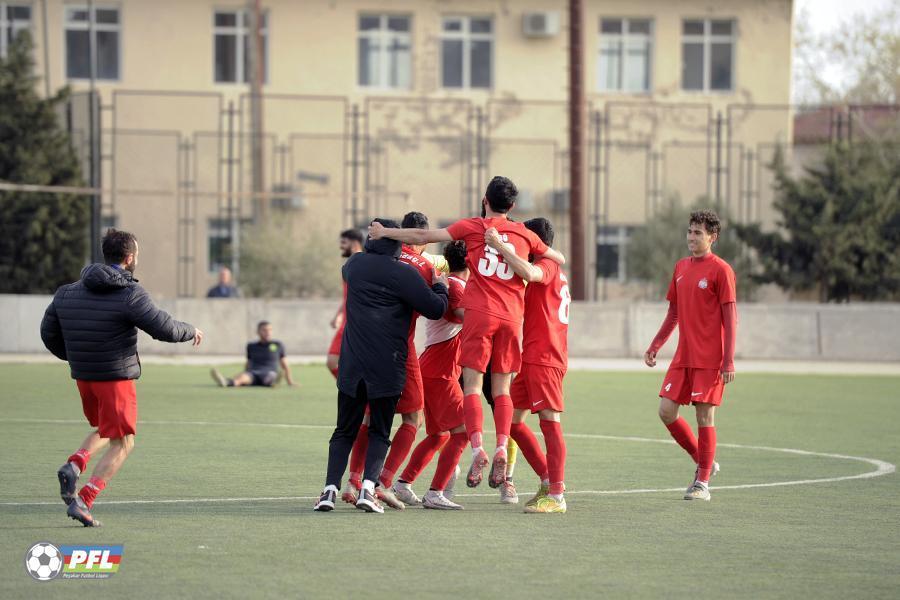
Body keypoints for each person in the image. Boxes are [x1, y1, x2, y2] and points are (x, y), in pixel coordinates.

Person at [368, 176, 565, 490]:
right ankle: (501, 447)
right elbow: (556, 258)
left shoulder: (473, 226)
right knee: (502, 391)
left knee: (472, 386)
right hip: (511, 317)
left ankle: (478, 448)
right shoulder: (524, 233)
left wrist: (385, 232)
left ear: (485, 200)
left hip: (480, 314)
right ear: (513, 206)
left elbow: (423, 235)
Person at [40, 229, 203, 527]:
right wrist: (191, 330)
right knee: (124, 443)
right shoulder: (129, 293)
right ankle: (84, 501)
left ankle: (74, 464)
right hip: (114, 378)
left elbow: (48, 333)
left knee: (106, 429)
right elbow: (164, 328)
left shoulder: (67, 292)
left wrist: (76, 356)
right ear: (129, 258)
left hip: (84, 377)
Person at [314, 218, 448, 514]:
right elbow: (436, 309)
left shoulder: (353, 266)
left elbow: (357, 265)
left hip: (352, 363)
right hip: (388, 364)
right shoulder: (405, 273)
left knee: (343, 430)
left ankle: (329, 491)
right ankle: (368, 489)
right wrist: (441, 287)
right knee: (380, 430)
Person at [644, 210, 737, 502]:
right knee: (666, 411)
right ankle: (704, 460)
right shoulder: (681, 267)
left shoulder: (721, 270)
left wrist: (728, 360)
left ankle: (702, 483)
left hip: (710, 359)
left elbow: (730, 319)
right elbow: (674, 312)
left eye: (698, 233)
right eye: (690, 232)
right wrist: (656, 344)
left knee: (704, 416)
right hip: (683, 356)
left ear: (712, 237)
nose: (692, 237)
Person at [488, 218, 570, 513]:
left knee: (549, 421)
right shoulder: (553, 266)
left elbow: (529, 272)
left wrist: (500, 246)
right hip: (532, 357)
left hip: (546, 357)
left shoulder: (547, 265)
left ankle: (557, 496)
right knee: (512, 421)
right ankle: (548, 480)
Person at [390, 240, 469, 510]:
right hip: (440, 372)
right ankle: (436, 492)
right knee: (463, 432)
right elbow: (463, 316)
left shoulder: (453, 284)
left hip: (436, 369)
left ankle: (403, 484)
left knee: (439, 435)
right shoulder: (456, 287)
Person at [326, 229, 364, 378]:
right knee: (333, 362)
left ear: (354, 243)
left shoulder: (361, 263)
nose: (341, 246)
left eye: (343, 242)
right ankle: (353, 388)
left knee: (337, 362)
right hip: (347, 323)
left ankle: (355, 388)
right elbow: (348, 295)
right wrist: (339, 315)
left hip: (355, 324)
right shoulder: (350, 264)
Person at [210, 321, 295, 388]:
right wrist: (244, 373)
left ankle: (274, 383)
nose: (268, 332)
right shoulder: (251, 346)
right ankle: (226, 382)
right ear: (258, 332)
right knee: (242, 378)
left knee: (271, 377)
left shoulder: (278, 345)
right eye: (264, 330)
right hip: (253, 373)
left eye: (270, 330)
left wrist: (290, 382)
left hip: (269, 372)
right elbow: (248, 362)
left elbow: (284, 364)